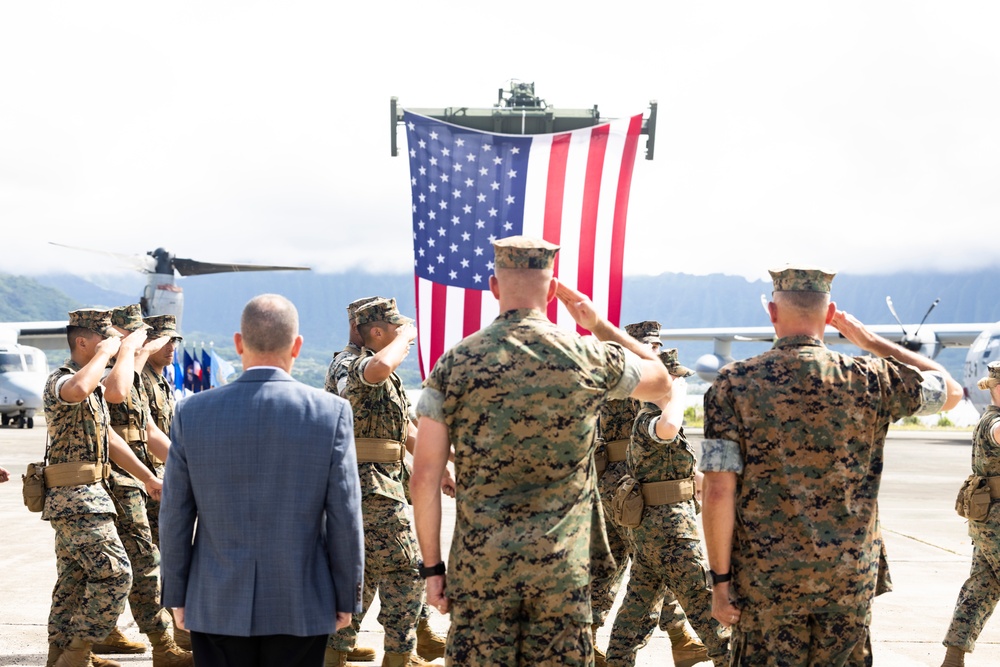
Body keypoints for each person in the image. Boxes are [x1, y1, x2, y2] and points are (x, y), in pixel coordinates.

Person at [410, 235, 672, 666]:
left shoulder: (456, 362)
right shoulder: (588, 354)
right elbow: (661, 379)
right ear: (552, 292)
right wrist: (600, 326)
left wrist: (434, 571)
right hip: (563, 570)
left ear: (494, 287)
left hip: (481, 569)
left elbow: (424, 478)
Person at [700, 266, 963, 665]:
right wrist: (873, 342)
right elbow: (951, 391)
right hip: (846, 582)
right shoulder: (871, 377)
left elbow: (719, 490)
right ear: (830, 313)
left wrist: (719, 583)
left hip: (767, 582)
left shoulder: (733, 384)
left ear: (773, 312)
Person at [159, 294, 364, 667]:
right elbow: (345, 516)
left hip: (215, 602)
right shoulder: (330, 413)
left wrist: (176, 594)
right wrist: (346, 597)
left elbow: (174, 515)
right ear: (297, 346)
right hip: (301, 603)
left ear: (239, 343)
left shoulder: (191, 412)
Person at [324, 296, 447, 665]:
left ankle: (338, 654)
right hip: (368, 486)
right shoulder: (354, 364)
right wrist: (404, 339)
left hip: (383, 483)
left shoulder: (383, 370)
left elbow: (403, 430)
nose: (406, 341)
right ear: (377, 332)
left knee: (366, 570)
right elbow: (374, 369)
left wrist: (442, 465)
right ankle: (400, 654)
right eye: (398, 331)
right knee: (408, 568)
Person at [43, 308, 164, 667]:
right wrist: (107, 353)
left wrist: (147, 477)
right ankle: (76, 656)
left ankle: (58, 655)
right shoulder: (61, 380)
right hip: (75, 498)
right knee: (116, 572)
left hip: (90, 496)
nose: (111, 344)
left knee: (73, 581)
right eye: (103, 338)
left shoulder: (92, 385)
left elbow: (109, 438)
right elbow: (77, 389)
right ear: (83, 342)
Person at [592, 320, 707, 667]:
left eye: (656, 347)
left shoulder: (622, 377)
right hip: (631, 486)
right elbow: (663, 430)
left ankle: (675, 638)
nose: (652, 353)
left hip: (624, 482)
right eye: (648, 347)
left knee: (641, 567)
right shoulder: (633, 381)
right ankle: (681, 637)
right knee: (648, 560)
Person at [606, 347, 729, 666]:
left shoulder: (654, 418)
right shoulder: (650, 418)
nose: (678, 383)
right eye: (673, 378)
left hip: (654, 536)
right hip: (670, 535)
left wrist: (702, 482)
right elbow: (669, 428)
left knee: (635, 611)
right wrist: (676, 396)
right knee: (706, 605)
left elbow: (672, 468)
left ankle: (617, 660)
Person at [96, 304, 191, 665]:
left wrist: (184, 467)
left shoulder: (145, 375)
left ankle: (162, 633)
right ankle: (160, 641)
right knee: (137, 558)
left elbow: (149, 429)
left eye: (169, 341)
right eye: (154, 338)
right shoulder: (111, 370)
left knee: (148, 556)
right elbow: (118, 404)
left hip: (144, 475)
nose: (163, 346)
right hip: (122, 476)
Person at [940, 361, 1000, 667]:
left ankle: (954, 656)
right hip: (996, 522)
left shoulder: (989, 419)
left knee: (981, 587)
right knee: (980, 586)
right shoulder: (994, 423)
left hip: (987, 518)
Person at [139, 314, 192, 652]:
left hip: (164, 476)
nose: (172, 347)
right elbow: (144, 432)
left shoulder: (160, 380)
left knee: (167, 554)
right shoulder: (139, 379)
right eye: (165, 340)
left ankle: (179, 627)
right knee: (144, 560)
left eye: (175, 340)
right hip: (145, 478)